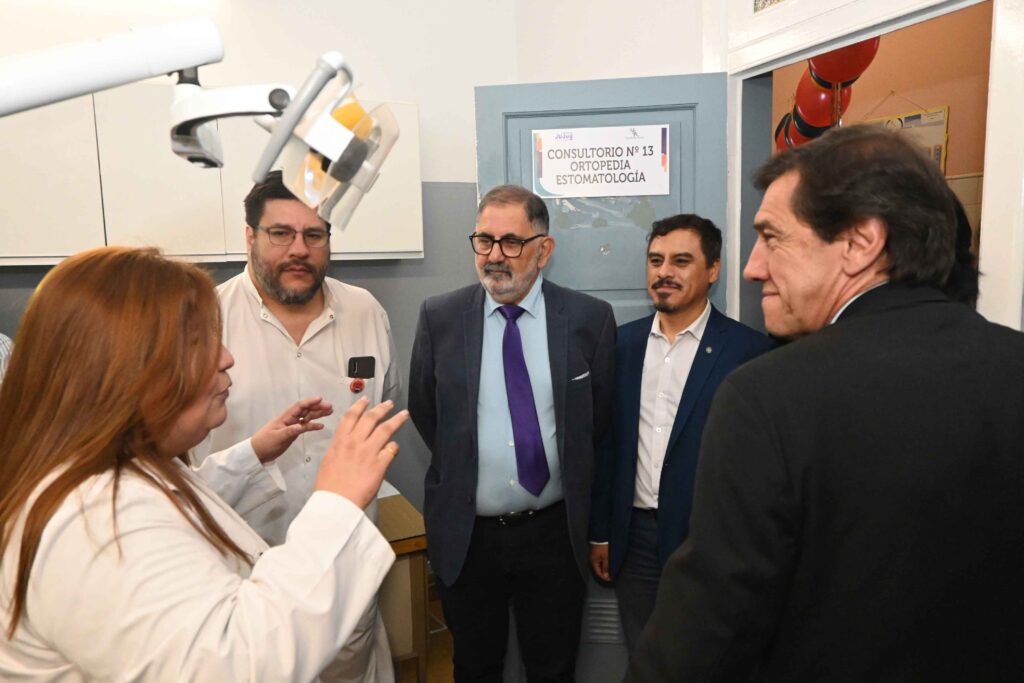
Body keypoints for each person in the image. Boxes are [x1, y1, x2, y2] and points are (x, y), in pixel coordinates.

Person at [628, 125, 1024, 681]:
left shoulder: (768, 396)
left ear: (860, 242)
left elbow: (703, 641)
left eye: (772, 237)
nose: (753, 267)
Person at [0, 246, 409, 681]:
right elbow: (237, 666)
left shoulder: (116, 468)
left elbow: (180, 502)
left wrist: (254, 454)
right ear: (125, 372)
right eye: (198, 343)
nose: (226, 358)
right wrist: (337, 502)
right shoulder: (94, 521)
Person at [408, 184, 615, 681]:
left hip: (554, 534)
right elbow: (426, 411)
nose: (495, 255)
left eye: (511, 242)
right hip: (468, 536)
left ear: (543, 249)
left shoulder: (588, 319)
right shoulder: (440, 317)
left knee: (553, 668)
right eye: (484, 240)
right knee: (474, 666)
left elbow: (598, 423)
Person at [202, 171, 400, 681]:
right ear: (249, 236)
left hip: (342, 571)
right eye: (280, 233)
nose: (299, 249)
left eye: (314, 234)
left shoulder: (365, 312)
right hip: (240, 577)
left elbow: (385, 407)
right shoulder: (206, 320)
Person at [589, 214, 772, 654]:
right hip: (634, 541)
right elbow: (606, 443)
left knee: (706, 658)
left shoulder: (749, 352)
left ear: (713, 270)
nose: (664, 272)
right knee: (645, 655)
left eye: (681, 261)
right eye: (656, 260)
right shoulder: (620, 345)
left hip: (709, 539)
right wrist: (601, 532)